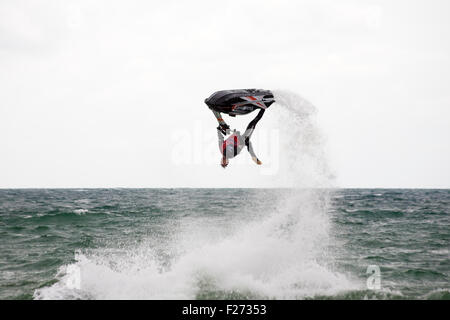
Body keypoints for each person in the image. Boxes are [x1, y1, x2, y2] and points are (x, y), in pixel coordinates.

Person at [205, 88, 275, 135]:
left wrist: (222, 124)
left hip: (226, 105)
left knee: (213, 105)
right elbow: (253, 123)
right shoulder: (242, 141)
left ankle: (262, 101)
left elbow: (212, 106)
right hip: (238, 108)